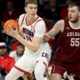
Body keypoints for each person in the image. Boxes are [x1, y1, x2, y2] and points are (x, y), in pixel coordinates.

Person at [5, 0, 51, 80]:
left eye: (35, 8)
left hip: (41, 52)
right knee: (9, 78)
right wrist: (12, 33)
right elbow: (22, 36)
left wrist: (16, 36)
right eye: (31, 8)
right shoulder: (21, 18)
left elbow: (34, 48)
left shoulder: (40, 23)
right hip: (29, 54)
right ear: (25, 9)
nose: (33, 10)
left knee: (38, 75)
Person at [44, 2, 80, 80]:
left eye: (73, 11)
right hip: (61, 62)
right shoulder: (62, 23)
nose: (70, 14)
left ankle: (67, 76)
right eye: (69, 11)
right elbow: (48, 35)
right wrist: (44, 36)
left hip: (77, 63)